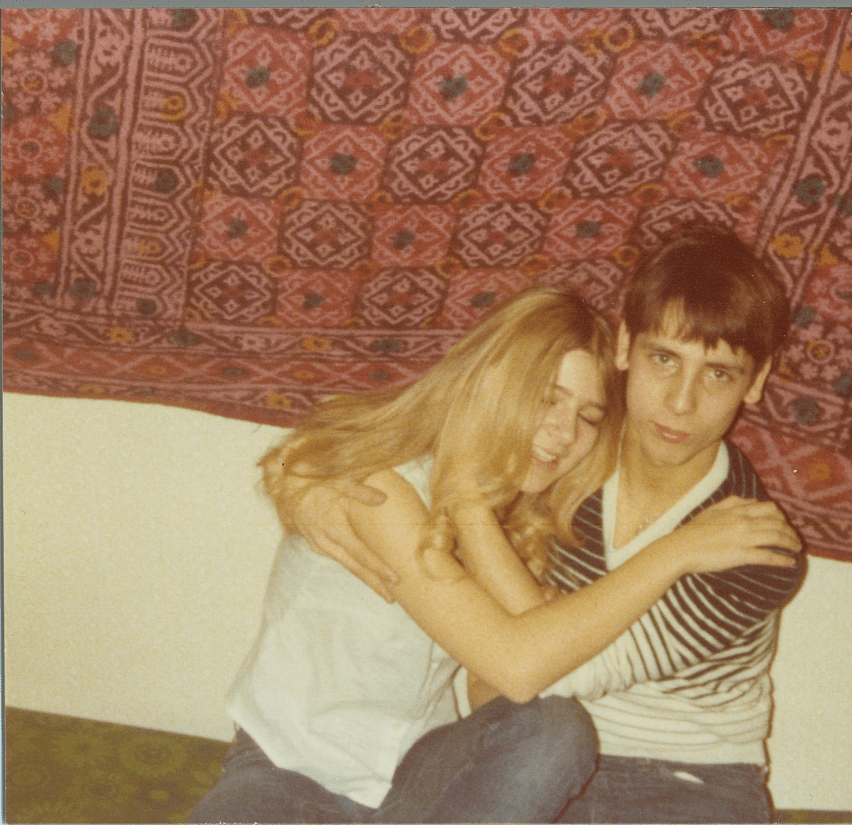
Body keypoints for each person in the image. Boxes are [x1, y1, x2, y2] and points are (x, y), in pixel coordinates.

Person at [190, 286, 801, 824]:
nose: (564, 434)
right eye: (545, 398)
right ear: (491, 382)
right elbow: (518, 664)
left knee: (552, 731)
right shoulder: (383, 487)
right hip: (290, 773)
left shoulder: (525, 515)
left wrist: (480, 525)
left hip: (416, 782)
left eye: (587, 416)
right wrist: (676, 552)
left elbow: (514, 677)